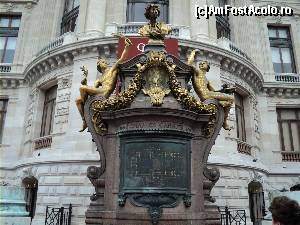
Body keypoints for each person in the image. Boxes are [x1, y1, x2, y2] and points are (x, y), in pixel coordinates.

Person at [75, 37, 132, 132]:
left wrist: (127, 47)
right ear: (99, 65)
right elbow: (92, 90)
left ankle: (86, 112)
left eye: (105, 61)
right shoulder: (99, 79)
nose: (105, 62)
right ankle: (84, 120)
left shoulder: (112, 69)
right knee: (78, 100)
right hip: (99, 93)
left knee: (82, 89)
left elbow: (122, 58)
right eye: (102, 62)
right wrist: (85, 79)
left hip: (105, 92)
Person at [187, 49, 234, 130]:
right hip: (206, 95)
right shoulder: (197, 72)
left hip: (209, 94)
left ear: (207, 67)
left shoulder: (206, 80)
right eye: (200, 64)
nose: (201, 64)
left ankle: (223, 118)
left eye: (203, 63)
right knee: (231, 98)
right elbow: (189, 64)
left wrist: (226, 90)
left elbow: (214, 92)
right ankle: (224, 122)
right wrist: (193, 53)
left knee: (229, 101)